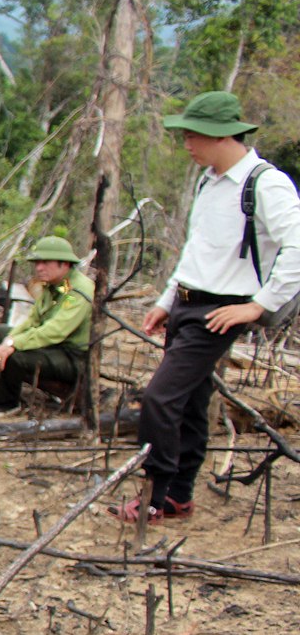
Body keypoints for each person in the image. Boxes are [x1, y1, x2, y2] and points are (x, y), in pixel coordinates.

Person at [112, 91, 300, 522]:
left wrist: (259, 305)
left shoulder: (265, 183)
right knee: (192, 401)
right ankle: (179, 495)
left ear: (221, 136)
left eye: (194, 136)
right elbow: (198, 250)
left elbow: (296, 246)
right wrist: (166, 300)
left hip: (220, 311)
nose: (187, 145)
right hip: (187, 302)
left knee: (160, 398)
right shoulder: (210, 180)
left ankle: (154, 494)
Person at [0, 236, 94, 417]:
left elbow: (56, 330)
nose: (39, 268)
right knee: (1, 332)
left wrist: (14, 345)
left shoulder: (77, 291)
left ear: (65, 264)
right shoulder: (54, 286)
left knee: (17, 354)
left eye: (46, 262)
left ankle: (8, 404)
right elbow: (33, 320)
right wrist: (10, 339)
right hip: (54, 348)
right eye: (37, 262)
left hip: (73, 357)